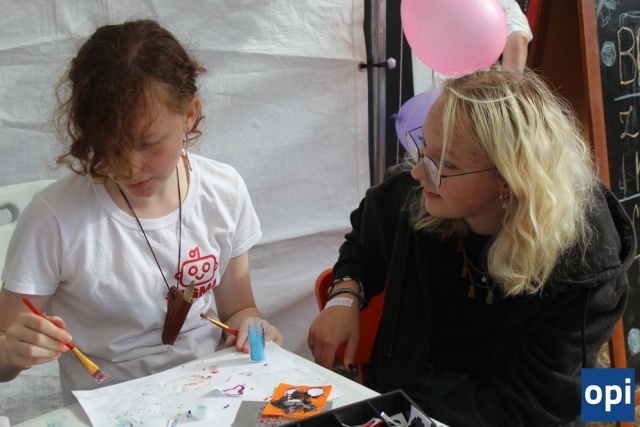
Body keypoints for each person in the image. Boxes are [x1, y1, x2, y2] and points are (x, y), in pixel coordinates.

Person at [308, 70, 635, 426]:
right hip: (406, 384)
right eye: (423, 149)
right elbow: (365, 240)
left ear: (509, 179)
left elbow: (537, 397)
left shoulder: (587, 263)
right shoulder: (417, 193)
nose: (419, 173)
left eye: (446, 164)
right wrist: (345, 295)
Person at [0, 19, 283, 405]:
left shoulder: (223, 190)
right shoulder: (55, 217)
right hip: (109, 406)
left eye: (148, 143)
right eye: (109, 146)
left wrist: (251, 326)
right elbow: (4, 344)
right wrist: (11, 352)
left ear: (190, 114)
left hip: (211, 395)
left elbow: (239, 309)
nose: (130, 167)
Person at [412, 0, 533, 94]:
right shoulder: (500, 4)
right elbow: (518, 38)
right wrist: (508, 93)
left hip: (421, 84)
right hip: (470, 92)